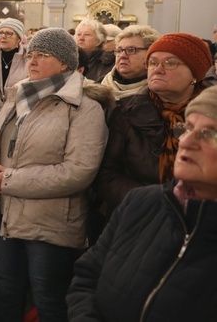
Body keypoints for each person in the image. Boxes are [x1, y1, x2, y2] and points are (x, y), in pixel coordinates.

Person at [0, 28, 109, 321]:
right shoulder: (18, 96)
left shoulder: (84, 108)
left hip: (49, 222)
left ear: (65, 64)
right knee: (7, 290)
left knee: (48, 297)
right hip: (6, 214)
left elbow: (78, 171)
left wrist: (9, 180)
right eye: (31, 55)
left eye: (43, 55)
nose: (33, 61)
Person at [68, 86, 217, 320]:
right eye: (187, 128)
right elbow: (87, 276)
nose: (186, 142)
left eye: (211, 134)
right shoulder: (141, 201)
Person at [95, 33, 214, 211]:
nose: (158, 69)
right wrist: (156, 202)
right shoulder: (125, 112)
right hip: (138, 215)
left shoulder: (211, 113)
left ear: (195, 74)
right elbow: (107, 176)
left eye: (170, 63)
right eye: (152, 62)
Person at [100, 25, 161, 102]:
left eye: (131, 50)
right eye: (119, 50)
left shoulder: (160, 94)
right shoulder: (100, 86)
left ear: (150, 54)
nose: (122, 56)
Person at [0, 18, 28, 107]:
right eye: (1, 32)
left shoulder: (28, 60)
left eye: (9, 33)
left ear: (19, 38)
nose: (3, 36)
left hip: (17, 111)